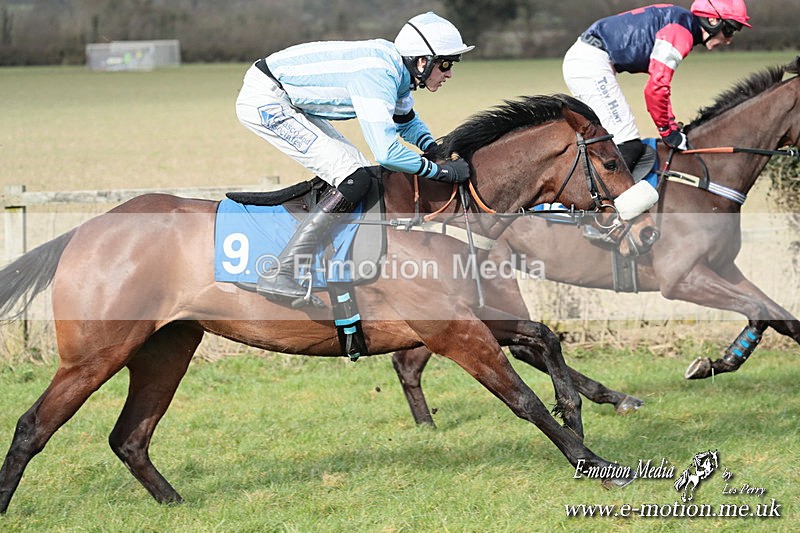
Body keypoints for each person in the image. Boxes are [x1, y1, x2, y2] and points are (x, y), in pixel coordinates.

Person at [235, 12, 474, 304]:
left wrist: (436, 150)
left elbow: (407, 122)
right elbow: (386, 153)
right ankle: (281, 271)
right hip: (266, 101)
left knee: (359, 173)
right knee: (354, 176)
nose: (449, 73)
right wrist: (439, 173)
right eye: (446, 64)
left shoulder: (397, 69)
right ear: (422, 61)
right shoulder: (379, 75)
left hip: (288, 99)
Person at [562, 1, 751, 172]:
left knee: (613, 140)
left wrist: (669, 124)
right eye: (729, 29)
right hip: (590, 62)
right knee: (628, 144)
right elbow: (656, 89)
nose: (729, 39)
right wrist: (667, 132)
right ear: (712, 20)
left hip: (590, 59)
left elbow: (661, 86)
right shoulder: (681, 33)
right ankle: (595, 205)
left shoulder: (681, 22)